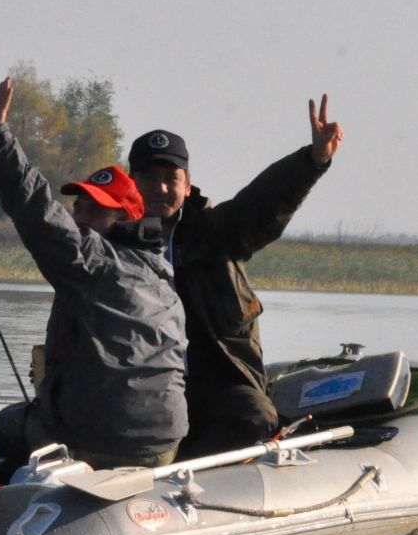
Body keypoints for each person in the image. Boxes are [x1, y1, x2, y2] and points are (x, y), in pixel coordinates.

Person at [0, 77, 187, 469]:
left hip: (97, 441)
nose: (80, 218)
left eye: (95, 210)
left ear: (126, 217)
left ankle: (1, 500)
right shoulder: (162, 273)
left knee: (6, 426)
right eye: (79, 208)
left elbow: (36, 207)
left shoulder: (92, 261)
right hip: (163, 444)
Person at [127, 97, 344, 456]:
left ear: (187, 183)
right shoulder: (113, 241)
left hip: (215, 385)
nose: (161, 188)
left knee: (254, 415)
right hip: (141, 388)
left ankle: (191, 470)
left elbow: (265, 202)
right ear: (131, 181)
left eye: (171, 178)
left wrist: (313, 160)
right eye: (149, 178)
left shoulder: (216, 233)